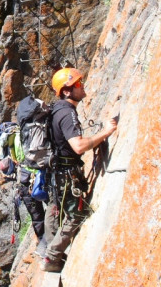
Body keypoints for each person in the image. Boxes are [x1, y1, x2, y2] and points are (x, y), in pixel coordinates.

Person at [42, 67, 117, 273]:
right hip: (66, 173)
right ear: (67, 91)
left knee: (55, 205)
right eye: (77, 84)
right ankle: (52, 256)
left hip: (57, 172)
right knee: (78, 214)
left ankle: (49, 248)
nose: (82, 86)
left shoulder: (56, 110)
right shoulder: (66, 113)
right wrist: (106, 132)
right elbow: (79, 146)